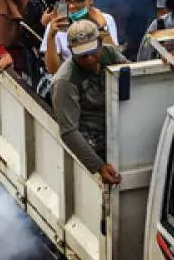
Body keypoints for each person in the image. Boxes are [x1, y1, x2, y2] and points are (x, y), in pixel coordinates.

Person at [51, 21, 127, 185]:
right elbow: (69, 131)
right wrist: (98, 166)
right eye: (82, 55)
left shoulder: (111, 54)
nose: (89, 58)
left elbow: (134, 75)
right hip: (94, 143)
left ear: (100, 43)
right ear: (71, 52)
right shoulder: (65, 81)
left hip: (120, 132)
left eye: (93, 51)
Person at [42, 0, 120, 74]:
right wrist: (51, 37)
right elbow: (53, 70)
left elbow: (114, 62)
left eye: (78, 1)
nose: (71, 6)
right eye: (67, 1)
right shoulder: (57, 25)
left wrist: (101, 29)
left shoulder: (106, 20)